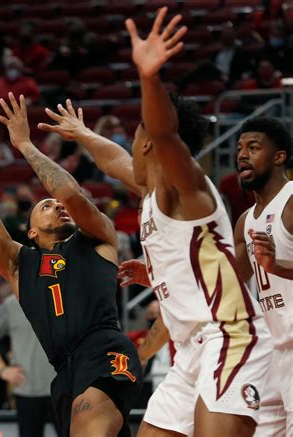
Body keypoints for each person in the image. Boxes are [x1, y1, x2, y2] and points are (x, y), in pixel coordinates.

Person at [39, 9, 272, 436]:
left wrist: (149, 76)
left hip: (229, 338)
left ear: (149, 140)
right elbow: (112, 160)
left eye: (138, 129)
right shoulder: (150, 193)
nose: (132, 138)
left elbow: (166, 134)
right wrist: (82, 133)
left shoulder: (186, 189)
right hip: (188, 350)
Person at [0, 91, 142, 436]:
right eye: (45, 206)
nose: (57, 207)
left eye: (56, 205)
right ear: (30, 231)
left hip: (104, 349)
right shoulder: (20, 263)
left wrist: (25, 145)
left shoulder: (98, 238)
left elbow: (71, 195)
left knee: (87, 413)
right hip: (64, 370)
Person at [234, 116, 292, 437]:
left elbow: (274, 269)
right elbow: (230, 284)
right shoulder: (245, 221)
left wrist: (278, 267)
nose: (242, 154)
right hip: (273, 353)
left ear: (279, 157)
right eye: (240, 148)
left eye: (253, 148)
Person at [0, 293, 59, 437]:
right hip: (28, 388)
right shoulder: (12, 304)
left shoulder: (68, 297)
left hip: (66, 389)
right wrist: (2, 370)